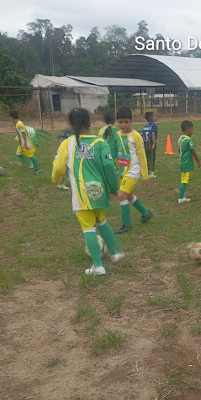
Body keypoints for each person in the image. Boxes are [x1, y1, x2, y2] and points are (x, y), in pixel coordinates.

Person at [52, 108, 123, 276]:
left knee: (88, 228)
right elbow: (109, 166)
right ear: (90, 123)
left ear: (70, 125)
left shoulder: (67, 144)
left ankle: (98, 266)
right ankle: (115, 253)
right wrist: (114, 188)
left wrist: (56, 180)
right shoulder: (100, 143)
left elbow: (58, 168)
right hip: (99, 192)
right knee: (102, 221)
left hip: (82, 194)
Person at [109, 107, 153, 234]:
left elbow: (142, 157)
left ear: (131, 121)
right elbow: (113, 153)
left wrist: (145, 175)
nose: (123, 125)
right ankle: (145, 213)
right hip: (122, 170)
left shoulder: (136, 136)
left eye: (126, 122)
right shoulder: (116, 135)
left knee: (121, 195)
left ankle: (126, 225)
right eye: (120, 122)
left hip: (133, 170)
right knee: (129, 196)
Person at [178, 120, 201, 203]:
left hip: (183, 162)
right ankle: (181, 198)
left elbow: (179, 150)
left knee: (186, 178)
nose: (192, 131)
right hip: (186, 164)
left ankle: (183, 193)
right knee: (184, 180)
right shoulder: (189, 140)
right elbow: (193, 151)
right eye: (192, 129)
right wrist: (198, 161)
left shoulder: (181, 139)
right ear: (188, 129)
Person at [141, 111, 158, 177]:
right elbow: (153, 134)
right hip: (151, 142)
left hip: (146, 143)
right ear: (151, 118)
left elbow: (143, 135)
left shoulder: (145, 126)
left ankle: (148, 169)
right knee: (152, 157)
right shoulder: (153, 125)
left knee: (147, 157)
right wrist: (154, 143)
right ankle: (151, 171)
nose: (155, 118)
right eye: (154, 116)